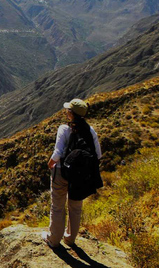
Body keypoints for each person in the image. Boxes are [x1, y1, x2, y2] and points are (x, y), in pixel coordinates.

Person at [42, 98, 102, 248]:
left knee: (57, 206)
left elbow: (57, 153)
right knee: (75, 207)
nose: (66, 112)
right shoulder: (90, 131)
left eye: (68, 110)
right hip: (79, 175)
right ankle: (70, 239)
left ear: (71, 113)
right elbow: (98, 154)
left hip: (61, 171)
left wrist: (50, 165)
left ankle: (54, 240)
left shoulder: (64, 129)